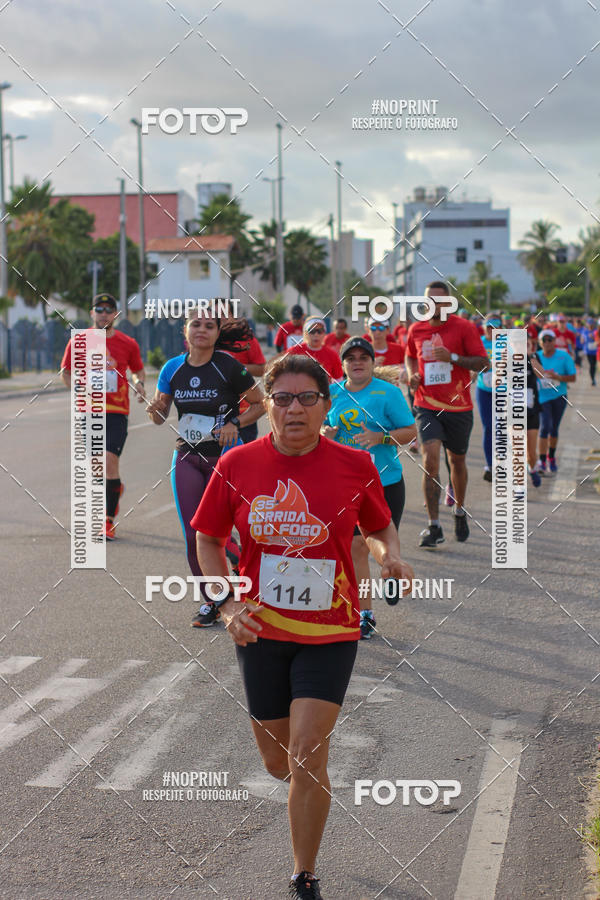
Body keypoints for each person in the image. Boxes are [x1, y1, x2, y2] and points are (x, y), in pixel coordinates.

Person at [191, 354, 414, 899]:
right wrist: (227, 605)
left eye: (307, 398)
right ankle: (306, 793)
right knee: (277, 761)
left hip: (331, 630)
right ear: (266, 405)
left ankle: (303, 872)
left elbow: (380, 527)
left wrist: (388, 557)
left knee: (308, 751)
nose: (295, 409)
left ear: (325, 406)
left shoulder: (354, 465)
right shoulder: (237, 464)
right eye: (283, 398)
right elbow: (209, 540)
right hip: (260, 630)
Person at [146, 314, 264, 627]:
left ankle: (241, 570)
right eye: (195, 324)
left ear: (216, 333)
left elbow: (260, 404)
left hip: (223, 458)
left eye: (208, 326)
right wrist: (156, 410)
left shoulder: (228, 366)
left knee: (219, 532)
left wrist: (234, 423)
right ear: (185, 331)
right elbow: (161, 414)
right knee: (192, 535)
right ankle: (212, 600)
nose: (201, 330)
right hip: (186, 455)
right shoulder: (172, 368)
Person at [322, 337, 416, 639]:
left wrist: (380, 438)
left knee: (383, 545)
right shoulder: (331, 394)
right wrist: (325, 433)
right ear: (343, 363)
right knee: (355, 547)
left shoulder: (387, 392)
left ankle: (390, 570)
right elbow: (316, 433)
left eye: (364, 357)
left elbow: (411, 433)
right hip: (345, 486)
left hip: (385, 482)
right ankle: (365, 613)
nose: (358, 362)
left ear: (373, 362)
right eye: (351, 358)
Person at [404, 281, 488, 547]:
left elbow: (483, 363)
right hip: (426, 405)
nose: (434, 305)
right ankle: (434, 526)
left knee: (458, 462)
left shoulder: (464, 328)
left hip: (458, 406)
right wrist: (411, 375)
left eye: (440, 300)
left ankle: (460, 511)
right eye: (430, 299)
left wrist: (452, 357)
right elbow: (409, 356)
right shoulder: (416, 328)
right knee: (430, 461)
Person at [60, 293, 145, 540]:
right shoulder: (79, 341)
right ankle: (114, 490)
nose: (104, 314)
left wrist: (139, 384)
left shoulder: (128, 343)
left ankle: (107, 521)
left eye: (109, 310)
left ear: (116, 315)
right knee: (97, 466)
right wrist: (78, 387)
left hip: (117, 411)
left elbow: (138, 371)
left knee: (109, 461)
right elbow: (66, 372)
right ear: (92, 313)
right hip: (89, 411)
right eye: (100, 309)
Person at [219, 305, 266, 443]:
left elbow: (262, 369)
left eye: (224, 313)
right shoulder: (206, 342)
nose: (220, 317)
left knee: (241, 460)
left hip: (242, 414)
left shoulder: (246, 340)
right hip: (212, 417)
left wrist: (236, 368)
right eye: (215, 313)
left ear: (233, 317)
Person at [535, 329, 576, 474]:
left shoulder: (563, 356)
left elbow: (573, 378)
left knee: (553, 429)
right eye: (543, 340)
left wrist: (557, 377)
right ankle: (541, 460)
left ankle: (551, 457)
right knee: (545, 426)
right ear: (539, 343)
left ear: (554, 341)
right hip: (541, 398)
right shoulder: (535, 357)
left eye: (549, 340)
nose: (547, 343)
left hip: (560, 397)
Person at [475, 316, 499, 482]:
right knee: (488, 427)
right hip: (483, 389)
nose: (491, 329)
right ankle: (490, 465)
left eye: (495, 327)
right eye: (488, 326)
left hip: (503, 390)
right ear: (484, 327)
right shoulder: (478, 342)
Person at [288, 315, 343, 380]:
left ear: (324, 333)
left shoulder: (332, 355)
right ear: (306, 333)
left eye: (319, 331)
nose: (316, 334)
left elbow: (339, 380)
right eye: (312, 331)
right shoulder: (293, 351)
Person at [581, 318, 598, 386]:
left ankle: (593, 378)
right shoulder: (585, 331)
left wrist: (593, 338)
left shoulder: (596, 331)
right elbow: (582, 341)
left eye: (592, 324)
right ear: (587, 324)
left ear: (593, 324)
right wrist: (583, 340)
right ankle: (593, 379)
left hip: (595, 351)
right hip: (588, 351)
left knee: (594, 365)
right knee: (591, 365)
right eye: (589, 324)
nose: (590, 325)